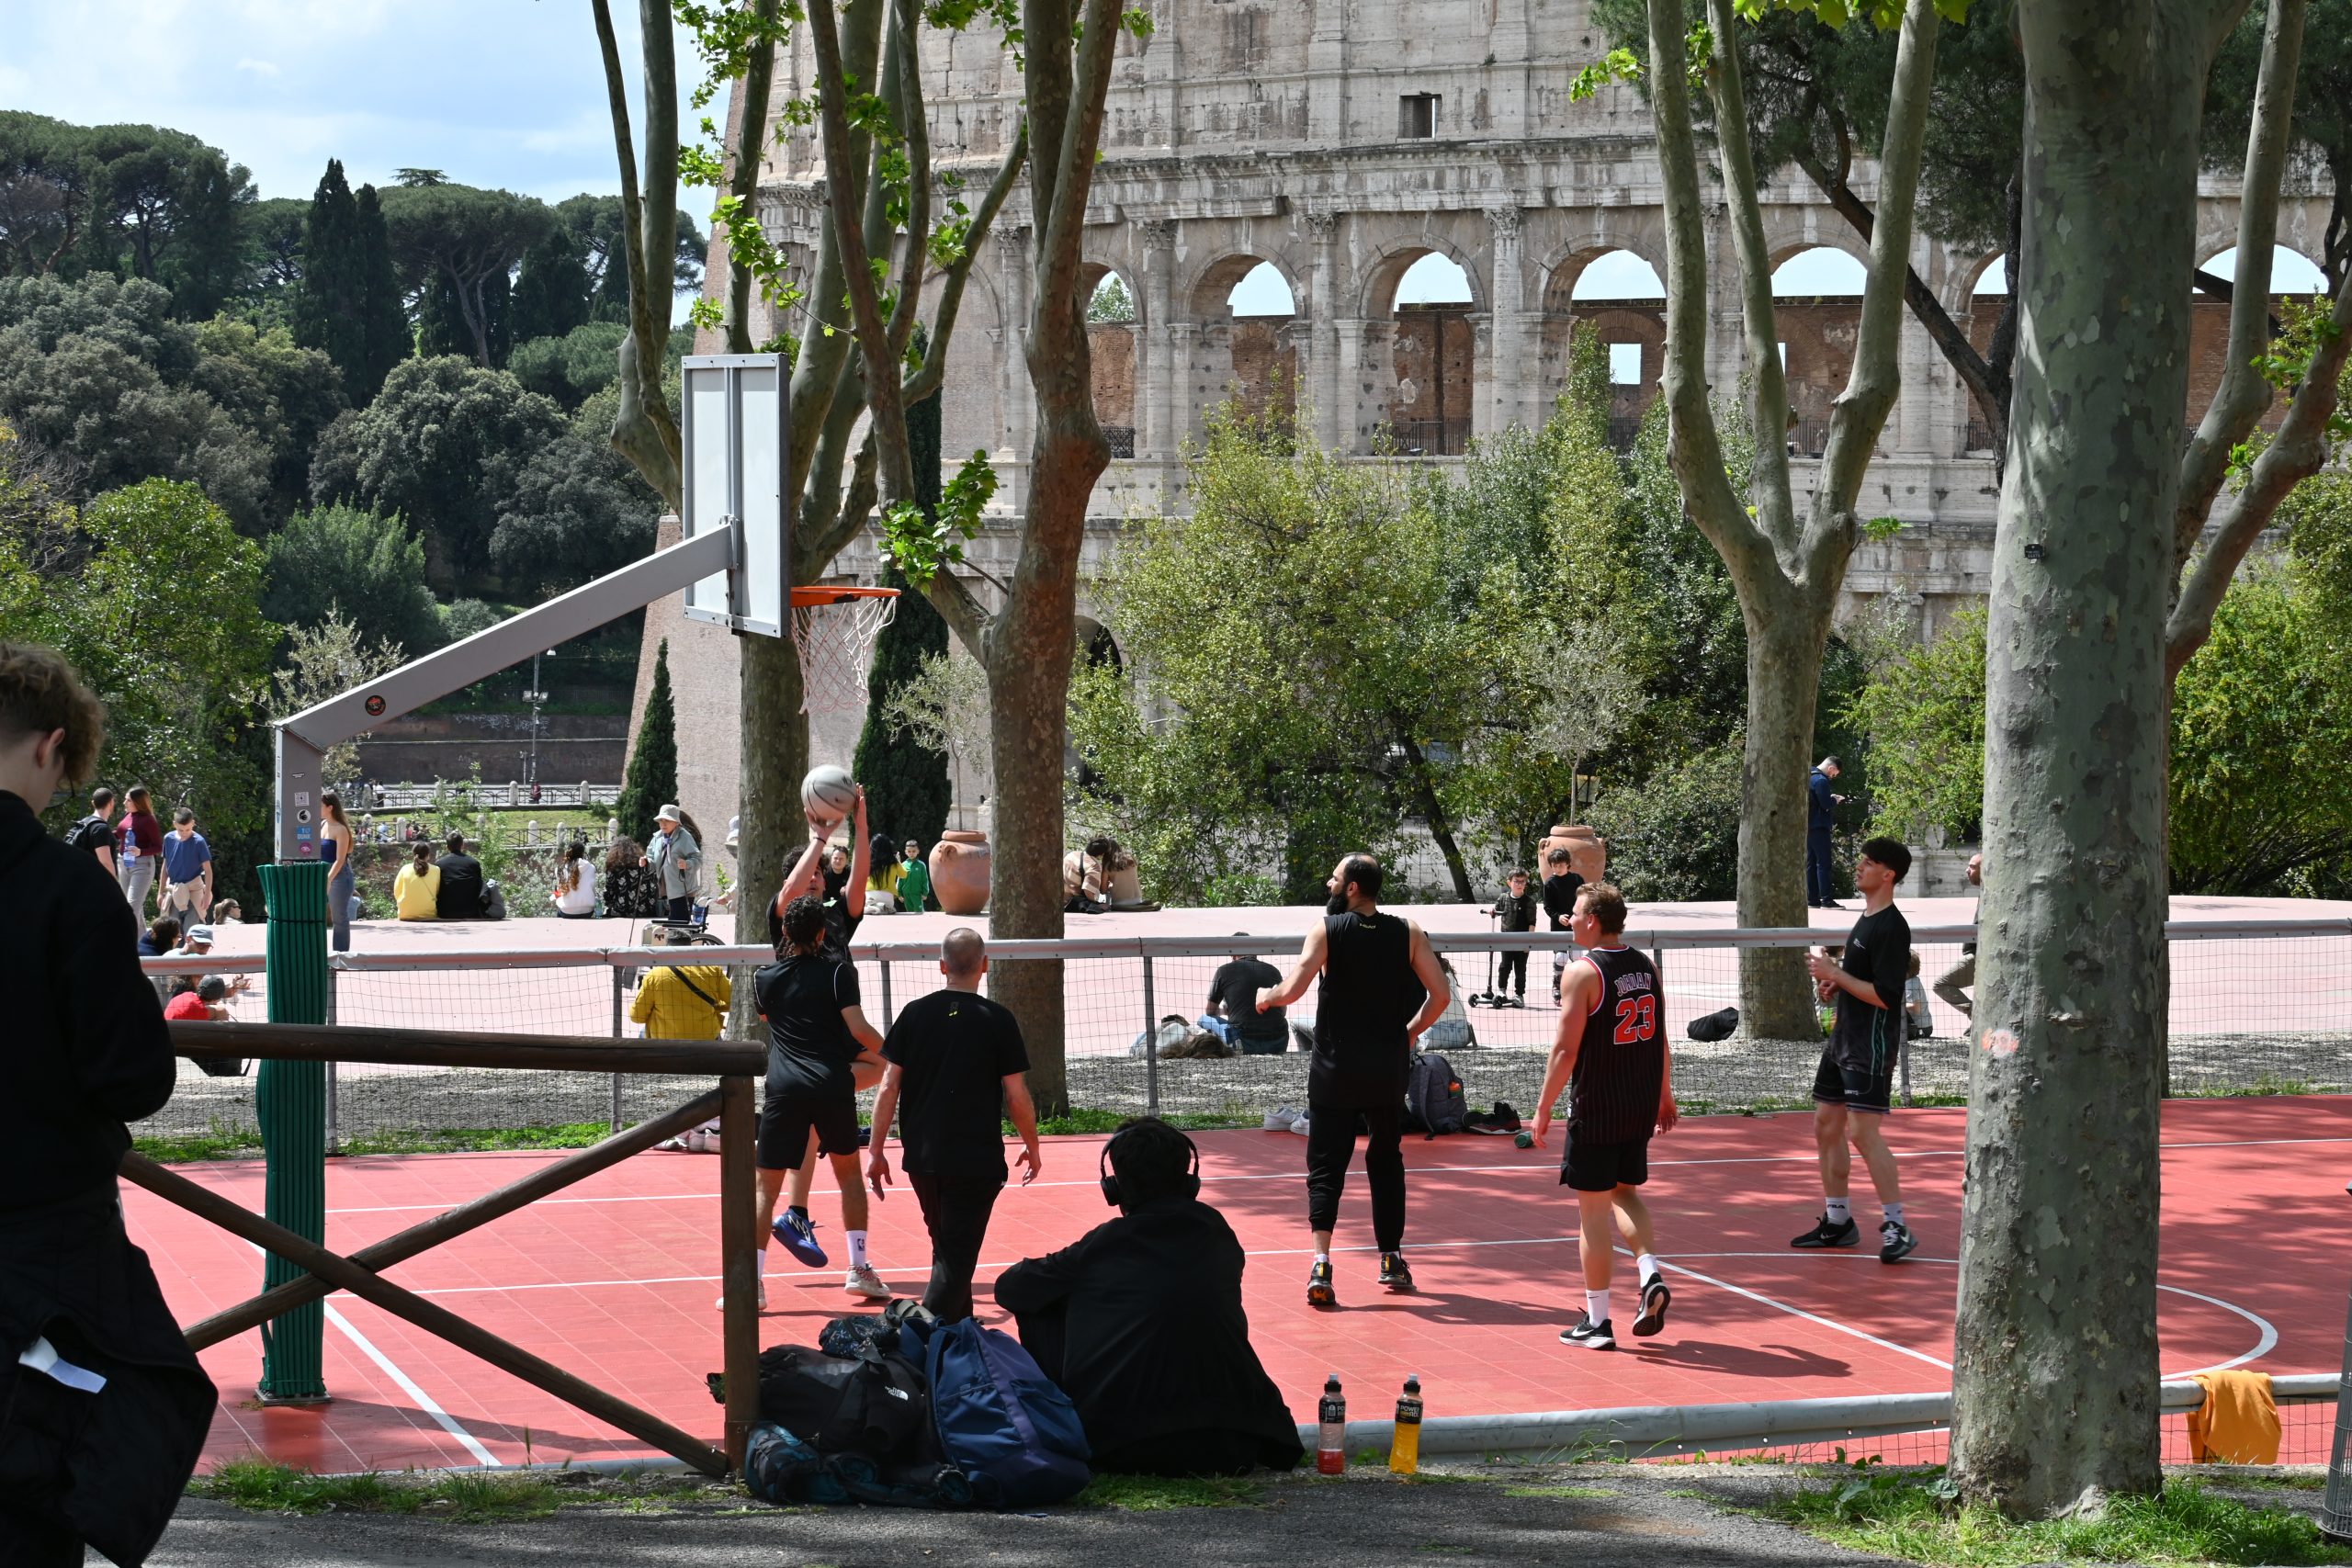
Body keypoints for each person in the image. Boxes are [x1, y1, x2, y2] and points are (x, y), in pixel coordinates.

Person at [0, 641, 216, 1566]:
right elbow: (135, 1077)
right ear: (52, 746)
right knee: (32, 1496)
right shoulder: (67, 894)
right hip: (42, 1260)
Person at [996, 1119, 1304, 1477]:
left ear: (1114, 1187)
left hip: (1120, 1445)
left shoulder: (1106, 1243)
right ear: (1190, 1181)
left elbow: (1009, 1288)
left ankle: (1067, 1417)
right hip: (1234, 1439)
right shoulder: (1217, 1232)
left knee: (1042, 1302)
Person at [1255, 853, 1450, 1306]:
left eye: (1335, 878)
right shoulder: (1409, 932)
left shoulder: (1327, 930)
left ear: (1353, 887)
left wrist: (1266, 996)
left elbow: (1292, 990)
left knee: (1326, 1166)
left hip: (1335, 1069)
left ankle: (1321, 1263)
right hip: (1385, 1069)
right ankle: (1391, 1258)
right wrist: (1408, 1033)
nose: (1330, 883)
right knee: (1386, 1160)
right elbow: (1440, 995)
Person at [1530, 883, 1678, 1351]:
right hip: (1638, 1101)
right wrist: (1664, 1093)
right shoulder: (1646, 966)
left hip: (1597, 1105)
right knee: (1625, 1193)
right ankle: (1650, 1273)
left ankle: (1597, 1322)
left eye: (1575, 913)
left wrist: (1543, 1107)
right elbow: (1660, 1038)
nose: (1569, 920)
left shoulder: (1583, 971)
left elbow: (1565, 1049)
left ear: (1593, 920)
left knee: (1591, 1213)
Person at [865, 929, 1042, 1321]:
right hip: (975, 1160)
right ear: (985, 965)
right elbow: (1016, 1095)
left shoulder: (914, 1014)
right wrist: (1032, 1143)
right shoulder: (998, 1020)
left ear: (943, 966)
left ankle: (959, 1330)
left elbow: (888, 1086)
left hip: (924, 1158)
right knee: (955, 1257)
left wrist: (876, 1150)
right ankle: (922, 1336)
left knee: (948, 1249)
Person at [747, 894, 889, 1308]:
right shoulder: (838, 973)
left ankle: (751, 1283)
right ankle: (859, 1268)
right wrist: (898, 1055)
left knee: (765, 1188)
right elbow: (858, 1029)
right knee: (849, 1178)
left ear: (785, 932)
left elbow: (769, 1018)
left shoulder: (763, 978)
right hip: (832, 1084)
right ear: (823, 934)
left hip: (784, 1088)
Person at [1795, 836, 1917, 1263]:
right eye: (1861, 860)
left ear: (1888, 875)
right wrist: (1836, 982)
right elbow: (1860, 978)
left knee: (1863, 1134)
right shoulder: (1866, 918)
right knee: (1826, 1125)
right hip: (1843, 1041)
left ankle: (1897, 1226)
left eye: (1869, 863)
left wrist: (1836, 972)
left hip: (1869, 1045)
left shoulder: (1892, 927)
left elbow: (1885, 995)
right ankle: (1838, 1221)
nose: (1859, 867)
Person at [629, 926, 732, 1039]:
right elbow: (732, 1001)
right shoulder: (713, 970)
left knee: (642, 1033)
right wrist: (714, 1005)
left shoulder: (654, 976)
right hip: (707, 1039)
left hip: (666, 1042)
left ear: (666, 949)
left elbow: (637, 1017)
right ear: (690, 947)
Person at [1200, 937, 1286, 1055]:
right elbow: (1283, 1011)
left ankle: (1220, 1055)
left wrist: (1225, 1011)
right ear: (1255, 953)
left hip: (1244, 1040)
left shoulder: (1224, 971)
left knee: (1203, 1019)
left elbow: (1210, 1011)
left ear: (1233, 955)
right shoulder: (1273, 971)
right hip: (1277, 1040)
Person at [1932, 852, 1983, 1022]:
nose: (1967, 870)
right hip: (1977, 953)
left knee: (1941, 984)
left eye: (1973, 867)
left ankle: (1978, 1017)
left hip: (1980, 955)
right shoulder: (1986, 892)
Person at [1541, 846, 1585, 1002]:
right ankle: (1557, 986)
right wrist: (1558, 917)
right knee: (1561, 956)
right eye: (1555, 865)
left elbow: (1584, 900)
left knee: (1577, 956)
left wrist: (1578, 916)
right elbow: (1548, 907)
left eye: (1561, 865)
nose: (1558, 868)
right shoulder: (1549, 883)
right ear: (1551, 866)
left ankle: (1578, 986)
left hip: (1577, 925)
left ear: (1567, 864)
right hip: (1558, 926)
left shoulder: (1577, 880)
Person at [646, 805, 702, 923]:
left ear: (676, 822)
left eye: (667, 820)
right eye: (661, 820)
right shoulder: (657, 837)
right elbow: (651, 858)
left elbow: (697, 859)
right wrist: (646, 862)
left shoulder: (684, 837)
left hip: (682, 890)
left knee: (679, 924)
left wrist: (687, 864)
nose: (663, 824)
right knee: (672, 924)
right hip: (665, 889)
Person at [1492, 867, 1538, 1007]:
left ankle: (1519, 994)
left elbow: (1532, 923)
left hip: (1522, 940)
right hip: (1506, 939)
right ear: (1509, 883)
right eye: (1516, 881)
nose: (1519, 884)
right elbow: (1496, 910)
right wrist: (1492, 911)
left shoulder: (1529, 902)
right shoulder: (1503, 898)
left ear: (1526, 883)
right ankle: (1502, 990)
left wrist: (1528, 943)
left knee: (1520, 968)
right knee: (1505, 966)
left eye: (1522, 881)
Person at [1806, 758, 1847, 909]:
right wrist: (1835, 800)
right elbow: (1825, 804)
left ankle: (1812, 899)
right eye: (1834, 774)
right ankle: (1826, 900)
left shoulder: (1809, 775)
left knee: (1811, 863)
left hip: (1808, 826)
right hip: (1820, 826)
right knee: (1824, 863)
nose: (1832, 777)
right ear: (1831, 768)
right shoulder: (1821, 780)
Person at [115, 784, 163, 915]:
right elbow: (119, 834)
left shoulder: (148, 820)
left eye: (128, 800)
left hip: (141, 866)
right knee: (131, 908)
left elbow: (159, 847)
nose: (124, 803)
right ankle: (140, 930)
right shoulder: (128, 815)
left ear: (138, 802)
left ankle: (127, 930)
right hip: (123, 863)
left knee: (131, 909)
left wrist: (141, 852)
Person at [320, 790, 356, 953]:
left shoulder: (341, 829)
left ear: (330, 807)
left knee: (339, 917)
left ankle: (340, 954)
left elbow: (340, 860)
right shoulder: (323, 825)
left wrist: (328, 879)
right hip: (323, 874)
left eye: (320, 806)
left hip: (340, 876)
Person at [604, 834, 660, 918]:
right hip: (647, 908)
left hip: (623, 909)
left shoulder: (614, 865)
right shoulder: (642, 862)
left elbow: (609, 889)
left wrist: (608, 904)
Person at [64, 784, 116, 875]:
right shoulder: (101, 828)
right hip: (94, 880)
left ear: (93, 803)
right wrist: (115, 882)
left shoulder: (84, 823)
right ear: (111, 803)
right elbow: (106, 863)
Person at [435, 829, 485, 920]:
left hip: (445, 912)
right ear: (463, 845)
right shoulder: (474, 863)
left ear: (447, 847)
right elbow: (479, 887)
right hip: (471, 911)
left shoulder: (439, 864)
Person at [1062, 835, 1118, 914]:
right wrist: (1097, 904)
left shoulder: (1071, 855)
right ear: (1102, 854)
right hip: (1072, 903)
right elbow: (1088, 891)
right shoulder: (1094, 865)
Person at [393, 840, 440, 919]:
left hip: (405, 913)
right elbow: (437, 891)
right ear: (428, 855)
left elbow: (397, 891)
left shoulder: (405, 869)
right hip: (428, 913)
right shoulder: (436, 870)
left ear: (413, 854)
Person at [551, 840, 598, 919]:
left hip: (567, 911)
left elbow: (560, 891)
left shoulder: (559, 869)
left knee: (559, 905)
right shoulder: (591, 867)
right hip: (587, 911)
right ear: (583, 853)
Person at [164, 976, 232, 1022]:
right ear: (215, 1000)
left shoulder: (186, 994)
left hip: (167, 1028)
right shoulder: (200, 1010)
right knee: (222, 1011)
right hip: (174, 1035)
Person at [896, 838, 933, 912]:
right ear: (906, 852)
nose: (911, 853)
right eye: (909, 851)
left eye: (914, 851)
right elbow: (900, 880)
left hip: (917, 894)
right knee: (910, 913)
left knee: (919, 913)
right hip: (906, 894)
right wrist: (899, 893)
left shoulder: (921, 865)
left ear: (918, 851)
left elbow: (925, 880)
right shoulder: (903, 865)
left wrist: (925, 892)